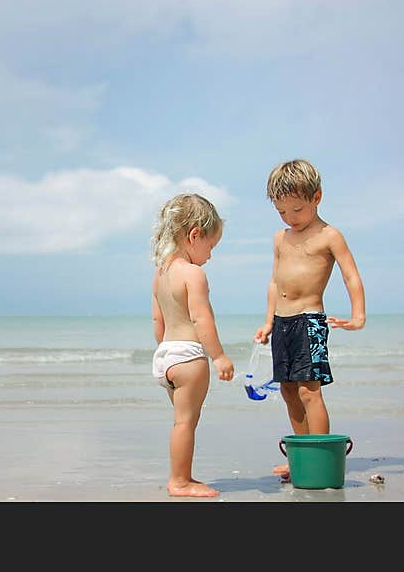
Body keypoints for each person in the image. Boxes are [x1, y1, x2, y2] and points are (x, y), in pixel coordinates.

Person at [253, 159, 366, 480]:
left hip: (309, 320)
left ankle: (321, 461)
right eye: (282, 212)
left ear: (317, 197)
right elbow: (275, 281)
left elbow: (351, 276)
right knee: (288, 391)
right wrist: (268, 321)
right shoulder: (280, 238)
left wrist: (358, 315)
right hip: (282, 321)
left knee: (308, 391)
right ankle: (301, 456)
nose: (290, 218)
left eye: (297, 210)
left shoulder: (330, 236)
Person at [151, 193, 235, 497]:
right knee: (185, 423)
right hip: (188, 357)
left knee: (181, 421)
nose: (210, 256)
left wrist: (167, 353)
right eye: (210, 247)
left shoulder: (160, 274)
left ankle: (182, 476)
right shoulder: (193, 274)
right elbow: (203, 321)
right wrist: (220, 357)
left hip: (165, 358)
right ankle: (180, 481)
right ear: (194, 235)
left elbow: (157, 321)